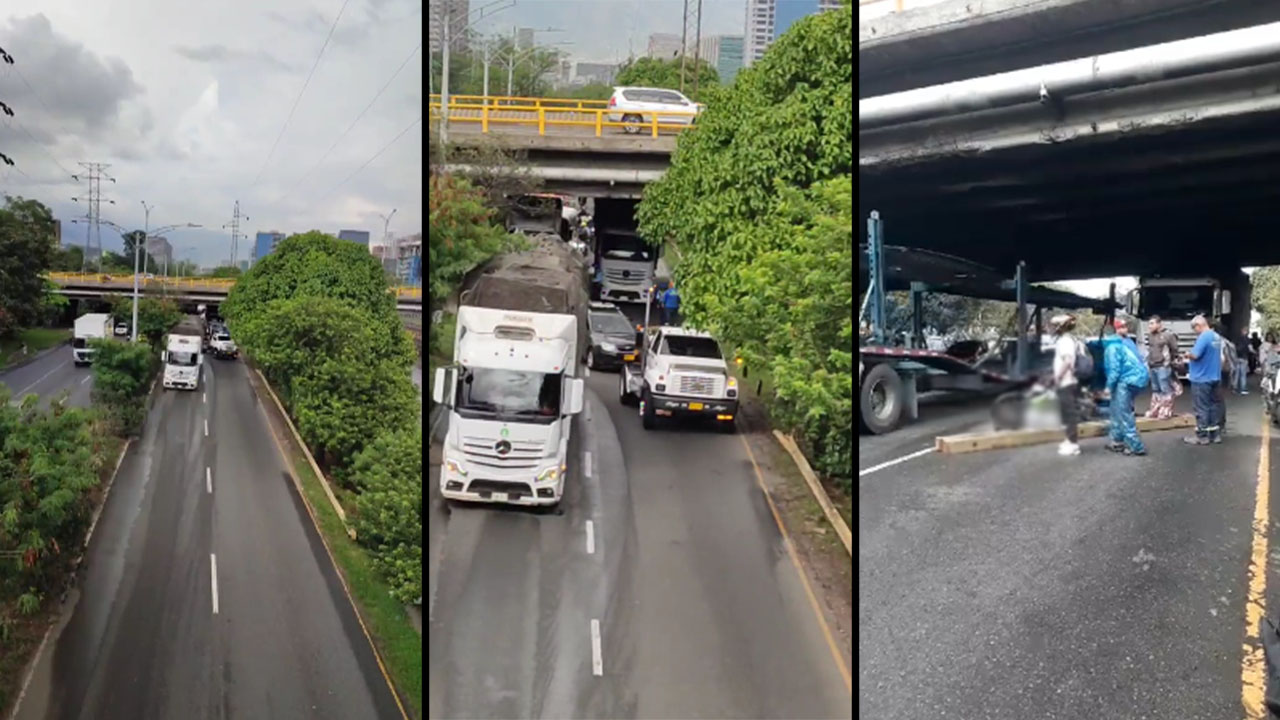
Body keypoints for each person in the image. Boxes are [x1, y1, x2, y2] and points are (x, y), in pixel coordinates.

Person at [1103, 327, 1149, 456]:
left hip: (1126, 380)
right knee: (1116, 408)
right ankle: (1117, 439)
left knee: (1123, 413)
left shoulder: (1111, 349)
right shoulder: (1122, 344)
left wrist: (1108, 388)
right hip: (1137, 378)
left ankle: (1135, 446)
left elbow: (1114, 370)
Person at [1184, 315, 1223, 445]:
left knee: (1201, 407)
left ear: (1198, 326)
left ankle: (1202, 436)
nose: (1195, 332)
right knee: (1213, 406)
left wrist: (1187, 354)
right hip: (1215, 376)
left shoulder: (1204, 337)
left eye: (1195, 329)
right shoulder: (1216, 337)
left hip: (1201, 378)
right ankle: (1215, 435)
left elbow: (1195, 355)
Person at [1050, 314, 1083, 456]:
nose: (1050, 328)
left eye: (1053, 325)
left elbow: (1068, 361)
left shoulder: (1065, 341)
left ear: (1060, 326)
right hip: (1067, 382)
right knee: (1065, 413)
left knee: (1069, 414)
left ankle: (1073, 444)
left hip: (1066, 382)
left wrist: (1057, 377)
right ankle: (1068, 440)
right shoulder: (1067, 339)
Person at [1144, 315, 1178, 419]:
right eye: (1149, 323)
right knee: (1155, 389)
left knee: (1165, 388)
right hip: (1153, 365)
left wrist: (1169, 362)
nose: (1150, 326)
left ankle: (1166, 411)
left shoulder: (1168, 335)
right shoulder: (1150, 336)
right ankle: (1156, 409)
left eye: (1152, 323)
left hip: (1163, 366)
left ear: (1159, 324)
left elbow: (1174, 349)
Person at [1235, 330, 1252, 394]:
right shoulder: (1247, 339)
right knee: (1243, 374)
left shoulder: (1238, 339)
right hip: (1244, 358)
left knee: (1237, 374)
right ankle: (1243, 389)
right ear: (1247, 332)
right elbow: (1250, 348)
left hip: (1237, 358)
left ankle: (1235, 388)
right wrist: (1255, 353)